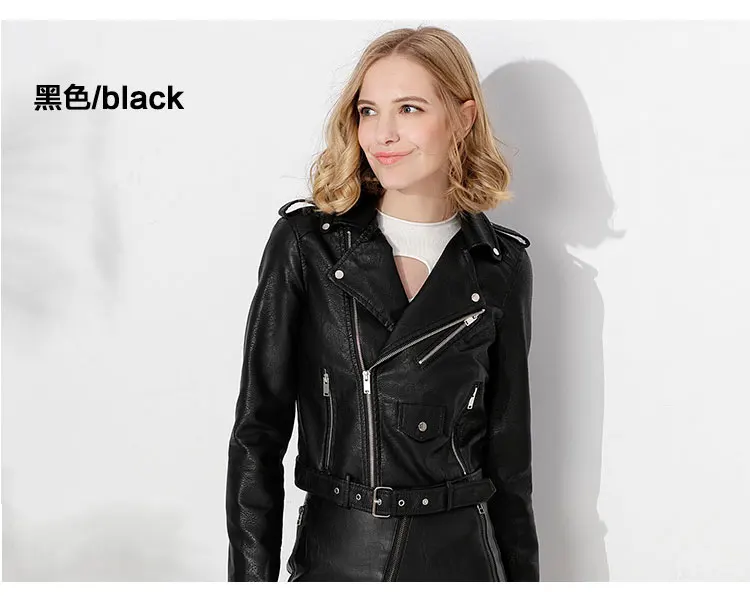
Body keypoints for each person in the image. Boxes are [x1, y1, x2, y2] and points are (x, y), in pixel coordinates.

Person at [226, 25, 539, 582]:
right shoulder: (309, 245)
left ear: (463, 118)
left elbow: (510, 463)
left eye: (409, 109)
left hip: (465, 561)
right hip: (339, 557)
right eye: (368, 111)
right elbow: (257, 434)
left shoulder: (500, 266)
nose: (383, 134)